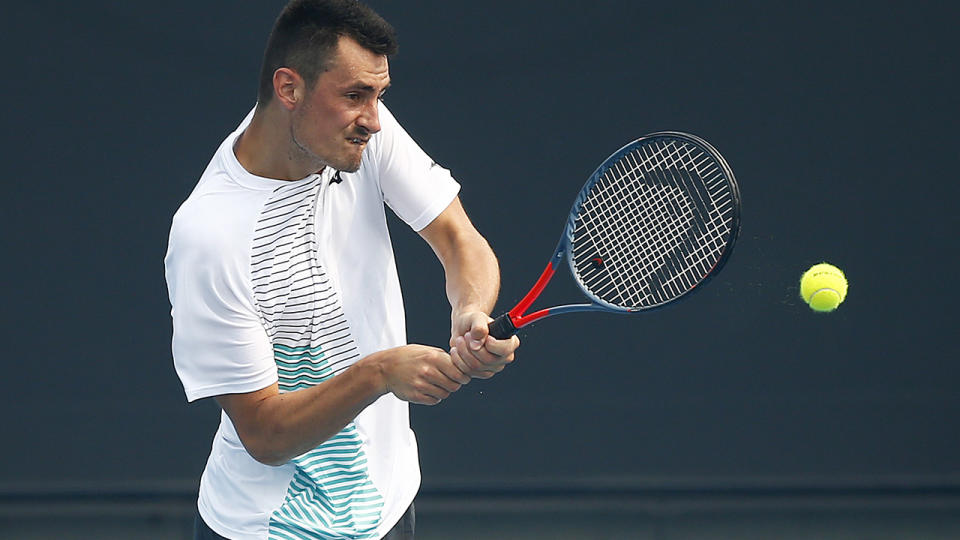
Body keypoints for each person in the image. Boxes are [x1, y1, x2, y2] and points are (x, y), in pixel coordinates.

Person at [163, 1, 520, 538]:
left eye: (379, 96)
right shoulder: (208, 237)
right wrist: (380, 373)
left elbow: (457, 237)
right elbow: (265, 435)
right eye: (355, 96)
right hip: (269, 528)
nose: (374, 119)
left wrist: (470, 310)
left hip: (386, 509)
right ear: (290, 89)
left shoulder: (359, 133)